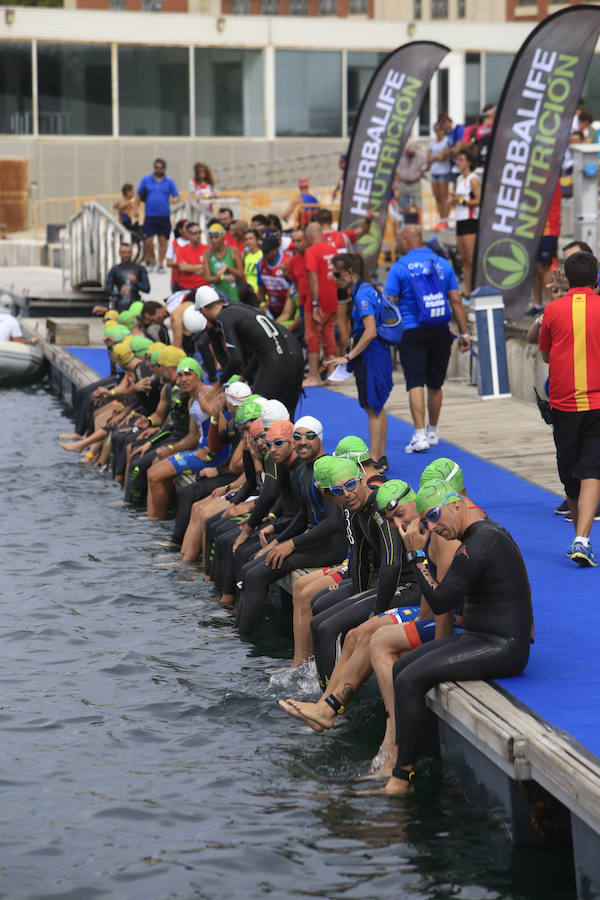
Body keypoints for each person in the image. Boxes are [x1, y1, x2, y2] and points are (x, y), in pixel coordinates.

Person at [371, 478, 531, 794]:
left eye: (434, 516)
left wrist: (416, 555)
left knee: (409, 680)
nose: (432, 526)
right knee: (401, 669)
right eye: (425, 518)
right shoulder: (479, 536)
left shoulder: (482, 543)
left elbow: (441, 600)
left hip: (504, 647)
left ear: (457, 505)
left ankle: (403, 778)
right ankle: (424, 759)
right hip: (482, 637)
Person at [235, 418, 347, 636]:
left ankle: (242, 637)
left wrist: (291, 545)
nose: (303, 442)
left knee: (257, 575)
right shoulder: (303, 472)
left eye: (310, 436)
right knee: (251, 566)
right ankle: (238, 627)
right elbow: (302, 516)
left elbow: (333, 522)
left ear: (320, 439)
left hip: (331, 545)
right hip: (313, 540)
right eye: (298, 437)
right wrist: (277, 542)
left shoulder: (326, 470)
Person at [385, 225, 471, 453]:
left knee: (415, 382)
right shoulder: (442, 264)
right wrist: (464, 333)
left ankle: (419, 435)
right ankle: (433, 430)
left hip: (412, 331)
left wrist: (387, 334)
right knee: (435, 383)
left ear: (404, 240)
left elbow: (389, 303)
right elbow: (456, 300)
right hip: (440, 329)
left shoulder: (399, 267)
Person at [539, 251, 600, 567]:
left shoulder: (552, 310)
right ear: (596, 278)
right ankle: (582, 539)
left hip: (564, 405)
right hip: (598, 403)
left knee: (572, 473)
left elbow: (546, 355)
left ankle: (581, 538)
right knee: (591, 468)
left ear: (567, 277)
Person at [194, 285, 304, 415]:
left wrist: (220, 383)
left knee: (255, 412)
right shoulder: (238, 309)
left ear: (204, 310)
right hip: (294, 355)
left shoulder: (223, 318)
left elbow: (236, 358)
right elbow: (260, 350)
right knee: (285, 413)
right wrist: (243, 377)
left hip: (274, 360)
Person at [329, 254, 392, 471]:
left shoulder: (361, 294)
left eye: (337, 274)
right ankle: (380, 457)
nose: (335, 278)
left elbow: (370, 331)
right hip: (377, 355)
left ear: (349, 272)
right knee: (377, 406)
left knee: (372, 406)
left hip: (370, 356)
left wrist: (349, 356)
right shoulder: (367, 288)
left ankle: (374, 459)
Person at [303, 222, 338, 386]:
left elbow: (313, 277)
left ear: (309, 235)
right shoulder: (332, 249)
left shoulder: (311, 251)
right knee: (329, 336)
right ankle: (332, 373)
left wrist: (316, 302)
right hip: (332, 299)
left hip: (317, 301)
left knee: (313, 337)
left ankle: (313, 375)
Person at [134, 158, 179, 272]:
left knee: (162, 240)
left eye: (161, 168)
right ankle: (151, 259)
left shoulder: (169, 181)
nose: (158, 170)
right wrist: (135, 209)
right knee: (148, 240)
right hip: (150, 215)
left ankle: (160, 264)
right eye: (156, 167)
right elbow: (138, 194)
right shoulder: (146, 180)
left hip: (164, 215)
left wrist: (174, 200)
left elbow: (175, 195)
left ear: (164, 169)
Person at [528, 180, 562, 316]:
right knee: (535, 268)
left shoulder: (551, 179)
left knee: (544, 267)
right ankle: (537, 304)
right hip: (533, 229)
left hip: (548, 229)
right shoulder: (537, 176)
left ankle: (549, 304)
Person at [450, 148, 480, 298]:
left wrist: (461, 201)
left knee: (470, 257)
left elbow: (479, 200)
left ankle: (474, 289)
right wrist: (454, 199)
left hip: (470, 220)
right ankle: (468, 290)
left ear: (469, 162)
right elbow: (456, 200)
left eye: (461, 159)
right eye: (457, 159)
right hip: (460, 220)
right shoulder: (459, 179)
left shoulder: (473, 179)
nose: (458, 162)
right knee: (464, 259)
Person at [256, 235, 294, 322]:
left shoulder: (287, 262)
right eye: (262, 251)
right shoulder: (261, 264)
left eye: (266, 252)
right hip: (273, 309)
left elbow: (293, 289)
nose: (263, 254)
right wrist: (263, 304)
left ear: (276, 250)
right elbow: (261, 289)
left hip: (289, 308)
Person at [203, 222, 243, 303]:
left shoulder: (233, 250)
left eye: (216, 237)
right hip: (216, 297)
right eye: (211, 238)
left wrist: (228, 267)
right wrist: (222, 277)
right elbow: (207, 278)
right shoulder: (207, 253)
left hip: (233, 295)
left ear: (223, 237)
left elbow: (240, 274)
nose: (213, 240)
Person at [105, 244, 150, 312]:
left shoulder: (140, 268)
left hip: (136, 304)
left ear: (132, 253)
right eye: (123, 252)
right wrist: (119, 293)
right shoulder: (115, 269)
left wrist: (136, 283)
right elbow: (108, 290)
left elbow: (147, 289)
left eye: (128, 252)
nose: (126, 255)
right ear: (120, 253)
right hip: (120, 305)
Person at [426, 117, 451, 229]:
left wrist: (434, 157)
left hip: (444, 171)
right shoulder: (432, 142)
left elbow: (442, 157)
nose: (437, 132)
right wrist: (435, 158)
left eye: (439, 130)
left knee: (444, 196)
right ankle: (441, 219)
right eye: (436, 130)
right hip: (434, 171)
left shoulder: (447, 141)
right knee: (437, 197)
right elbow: (428, 158)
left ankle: (445, 220)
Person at [176, 222, 209, 293]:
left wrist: (190, 268)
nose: (198, 235)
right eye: (194, 233)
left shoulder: (208, 249)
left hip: (205, 288)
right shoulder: (181, 250)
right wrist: (203, 266)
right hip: (186, 288)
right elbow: (182, 267)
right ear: (188, 234)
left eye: (199, 232)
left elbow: (210, 268)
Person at [165, 219, 189, 292]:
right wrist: (181, 264)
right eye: (186, 227)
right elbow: (168, 262)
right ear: (180, 230)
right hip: (177, 279)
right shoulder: (174, 243)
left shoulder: (194, 242)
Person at [243, 228, 263, 295]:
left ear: (257, 240)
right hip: (249, 296)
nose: (248, 241)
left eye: (251, 238)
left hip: (260, 295)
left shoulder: (262, 255)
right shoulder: (247, 257)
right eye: (246, 239)